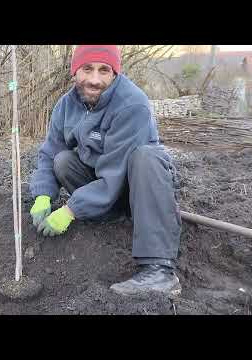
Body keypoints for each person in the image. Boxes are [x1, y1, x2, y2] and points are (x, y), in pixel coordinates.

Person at [29, 45, 182, 296]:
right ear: (75, 72)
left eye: (104, 70)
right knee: (62, 160)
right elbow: (49, 152)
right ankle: (105, 214)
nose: (95, 79)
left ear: (115, 74)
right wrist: (43, 194)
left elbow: (114, 175)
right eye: (87, 69)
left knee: (147, 157)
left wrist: (70, 209)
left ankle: (159, 271)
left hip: (139, 190)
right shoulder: (67, 105)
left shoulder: (132, 104)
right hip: (105, 187)